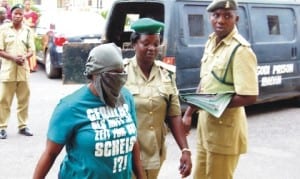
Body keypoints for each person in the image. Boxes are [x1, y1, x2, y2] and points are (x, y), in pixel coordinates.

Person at [33, 43, 144, 179]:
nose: (119, 78)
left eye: (121, 72)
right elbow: (50, 154)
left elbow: (134, 142)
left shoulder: (126, 97)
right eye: (112, 74)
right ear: (94, 74)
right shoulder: (70, 107)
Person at [182, 0, 259, 179]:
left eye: (227, 16)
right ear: (210, 17)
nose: (220, 21)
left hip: (225, 133)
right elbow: (205, 81)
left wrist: (215, 103)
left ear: (236, 19)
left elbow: (250, 96)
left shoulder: (240, 50)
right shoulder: (211, 42)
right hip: (205, 128)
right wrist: (189, 113)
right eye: (216, 15)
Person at [124, 17, 192, 179]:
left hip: (155, 154)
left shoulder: (166, 74)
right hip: (127, 154)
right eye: (146, 43)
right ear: (134, 44)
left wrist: (185, 150)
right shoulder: (121, 73)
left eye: (156, 44)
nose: (152, 48)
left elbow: (174, 115)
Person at [0, 3, 35, 139]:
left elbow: (31, 50)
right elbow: (0, 50)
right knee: (4, 100)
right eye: (16, 13)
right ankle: (2, 127)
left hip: (23, 71)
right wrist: (13, 58)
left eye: (21, 13)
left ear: (23, 15)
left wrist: (24, 56)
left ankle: (23, 126)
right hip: (7, 71)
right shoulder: (3, 30)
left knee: (24, 100)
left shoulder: (27, 31)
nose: (18, 16)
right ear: (11, 15)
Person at [23, 0, 38, 72]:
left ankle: (32, 66)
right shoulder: (21, 13)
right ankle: (25, 66)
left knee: (31, 48)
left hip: (31, 33)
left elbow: (34, 24)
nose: (27, 6)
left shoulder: (33, 14)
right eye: (26, 4)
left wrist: (27, 24)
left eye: (28, 4)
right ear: (24, 5)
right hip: (22, 33)